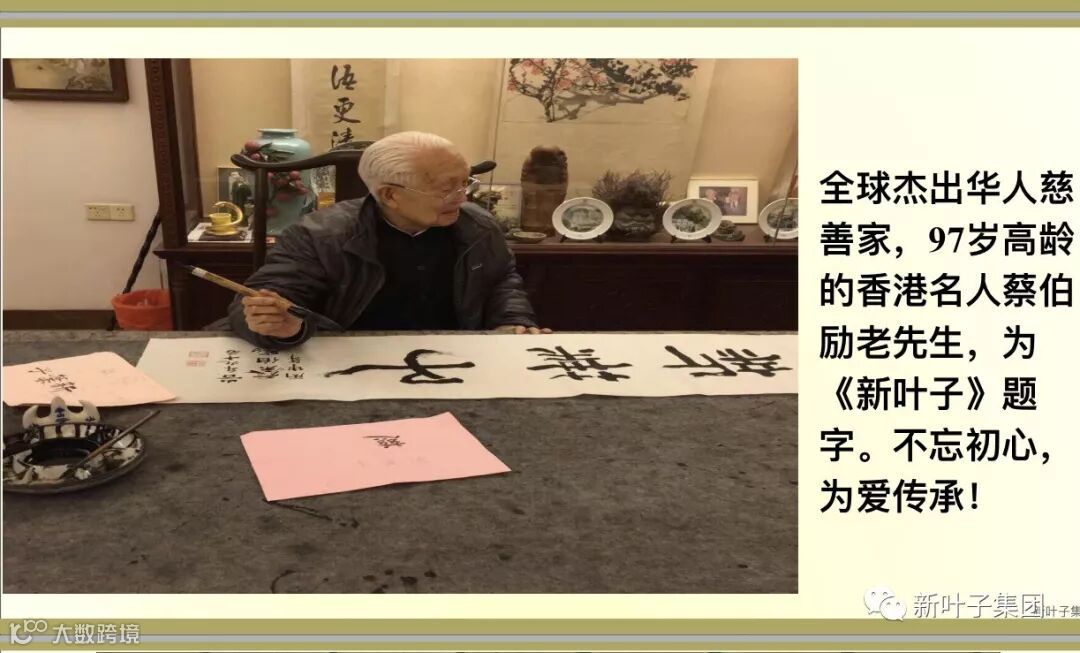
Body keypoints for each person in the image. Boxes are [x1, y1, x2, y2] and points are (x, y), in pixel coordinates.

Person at [228, 131, 549, 350]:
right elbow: (265, 298)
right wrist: (283, 326)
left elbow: (501, 281)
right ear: (391, 195)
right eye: (446, 188)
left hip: (453, 358)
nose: (461, 197)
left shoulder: (477, 225)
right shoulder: (319, 235)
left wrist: (512, 322)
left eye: (465, 183)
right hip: (353, 362)